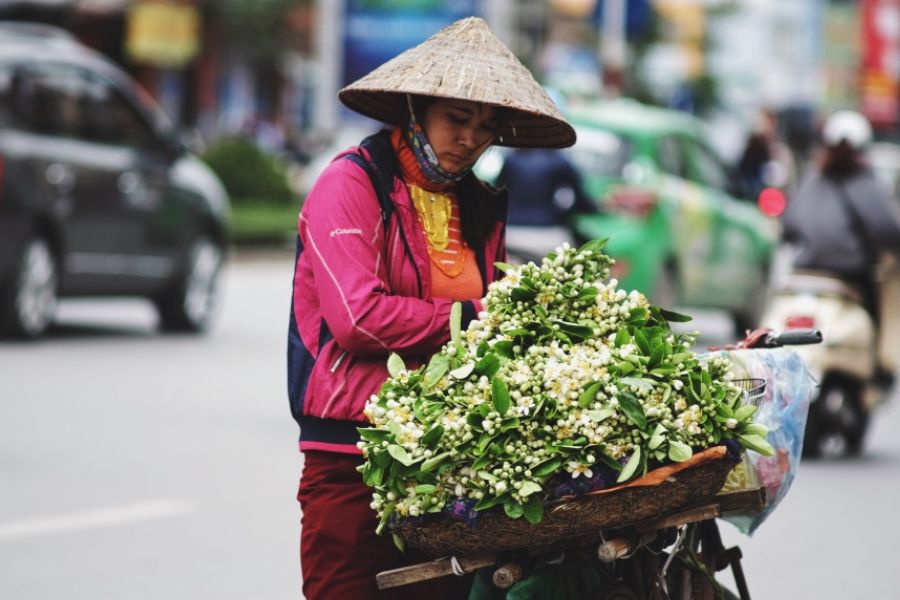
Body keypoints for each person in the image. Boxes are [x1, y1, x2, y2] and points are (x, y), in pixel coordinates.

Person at [287, 17, 575, 599]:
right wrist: (472, 317)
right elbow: (358, 319)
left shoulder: (481, 206)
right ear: (415, 111)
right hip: (352, 451)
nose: (469, 139)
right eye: (457, 119)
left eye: (486, 127)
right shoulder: (350, 184)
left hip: (448, 463)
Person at [782, 109, 900, 378]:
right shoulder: (864, 181)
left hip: (803, 273)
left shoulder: (814, 176)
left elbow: (789, 225)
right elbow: (889, 230)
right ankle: (881, 367)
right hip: (849, 277)